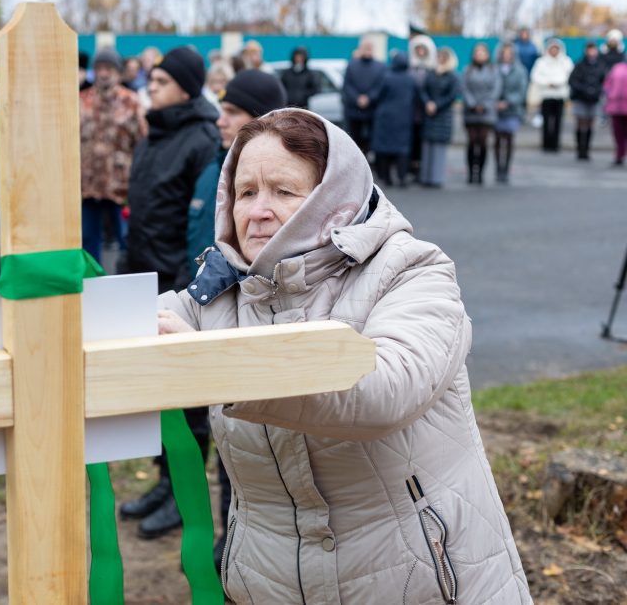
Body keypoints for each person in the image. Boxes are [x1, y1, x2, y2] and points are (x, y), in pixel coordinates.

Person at [157, 107, 532, 604]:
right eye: (246, 192)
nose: (258, 211)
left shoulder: (412, 270)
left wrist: (212, 364)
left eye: (283, 192)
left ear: (332, 199)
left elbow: (382, 389)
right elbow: (120, 328)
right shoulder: (220, 291)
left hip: (418, 582)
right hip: (270, 585)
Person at [184, 68, 286, 566]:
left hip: (246, 319)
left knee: (246, 441)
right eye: (245, 194)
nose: (219, 119)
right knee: (225, 436)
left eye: (232, 112)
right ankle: (228, 537)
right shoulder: (215, 167)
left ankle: (235, 538)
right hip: (207, 304)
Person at [120, 46, 218, 539]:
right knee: (157, 393)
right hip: (143, 278)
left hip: (177, 287)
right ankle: (165, 481)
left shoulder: (201, 139)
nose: (150, 86)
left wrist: (186, 288)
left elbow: (199, 224)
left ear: (184, 86)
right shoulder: (154, 134)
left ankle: (185, 493)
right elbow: (140, 210)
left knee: (187, 400)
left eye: (159, 80)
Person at [80, 47, 145, 264]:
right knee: (88, 240)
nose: (104, 73)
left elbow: (143, 143)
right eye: (99, 68)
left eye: (109, 68)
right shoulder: (80, 101)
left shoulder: (132, 102)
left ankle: (130, 283)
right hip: (87, 185)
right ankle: (92, 286)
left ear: (118, 72)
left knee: (127, 238)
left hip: (121, 185)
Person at [370, 50, 417, 187]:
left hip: (385, 118)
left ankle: (386, 178)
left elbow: (378, 95)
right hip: (404, 118)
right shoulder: (410, 79)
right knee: (402, 149)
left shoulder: (386, 77)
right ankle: (402, 178)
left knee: (384, 149)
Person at [419, 47, 460, 187]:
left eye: (443, 57)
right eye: (439, 56)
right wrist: (428, 103)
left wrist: (436, 105)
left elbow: (452, 96)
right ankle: (425, 177)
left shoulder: (452, 76)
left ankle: (436, 178)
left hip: (443, 115)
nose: (440, 59)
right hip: (429, 114)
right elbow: (423, 90)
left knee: (439, 148)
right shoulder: (430, 73)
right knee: (427, 146)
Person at [462, 42, 501, 184]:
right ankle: (471, 172)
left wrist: (484, 105)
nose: (480, 55)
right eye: (477, 52)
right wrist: (473, 104)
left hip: (487, 112)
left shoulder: (493, 70)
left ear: (487, 55)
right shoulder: (468, 70)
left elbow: (495, 90)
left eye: (482, 52)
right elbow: (464, 88)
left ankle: (481, 173)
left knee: (483, 142)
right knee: (472, 142)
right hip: (470, 112)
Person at [342, 36, 386, 155]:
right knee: (353, 139)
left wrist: (368, 98)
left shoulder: (380, 66)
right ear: (360, 48)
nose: (367, 50)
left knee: (370, 140)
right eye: (365, 47)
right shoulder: (352, 64)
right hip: (353, 111)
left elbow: (380, 86)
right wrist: (357, 98)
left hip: (372, 111)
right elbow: (347, 85)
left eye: (369, 47)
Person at [494, 42, 529, 183]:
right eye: (504, 53)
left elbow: (521, 91)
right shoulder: (495, 69)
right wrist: (496, 102)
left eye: (510, 54)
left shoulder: (520, 71)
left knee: (508, 139)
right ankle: (498, 168)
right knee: (497, 140)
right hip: (495, 109)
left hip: (512, 110)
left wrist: (507, 101)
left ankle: (506, 170)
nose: (507, 56)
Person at [531, 38, 573, 152]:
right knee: (546, 120)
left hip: (560, 95)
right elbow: (536, 76)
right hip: (546, 95)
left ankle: (555, 144)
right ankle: (546, 144)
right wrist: (547, 83)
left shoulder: (566, 61)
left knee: (558, 121)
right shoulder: (541, 62)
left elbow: (569, 76)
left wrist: (558, 83)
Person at [568, 41, 605, 161]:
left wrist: (595, 91)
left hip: (594, 99)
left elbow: (604, 81)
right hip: (581, 98)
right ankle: (580, 149)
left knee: (590, 123)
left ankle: (587, 149)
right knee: (581, 123)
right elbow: (573, 81)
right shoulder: (579, 65)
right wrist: (584, 89)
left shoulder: (600, 65)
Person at [407, 35, 437, 180]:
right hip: (410, 110)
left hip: (426, 111)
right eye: (417, 49)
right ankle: (411, 167)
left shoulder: (432, 70)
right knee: (411, 140)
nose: (420, 52)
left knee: (422, 141)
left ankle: (421, 168)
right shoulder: (409, 69)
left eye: (423, 49)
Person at [279, 46, 318, 110]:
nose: (298, 59)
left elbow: (314, 89)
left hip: (303, 106)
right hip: (288, 106)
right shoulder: (287, 73)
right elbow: (281, 87)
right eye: (297, 56)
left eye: (301, 57)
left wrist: (303, 95)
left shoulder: (309, 73)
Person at [604, 60, 627, 166]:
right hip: (616, 106)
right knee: (618, 132)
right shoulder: (617, 67)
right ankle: (619, 154)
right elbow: (607, 84)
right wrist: (610, 94)